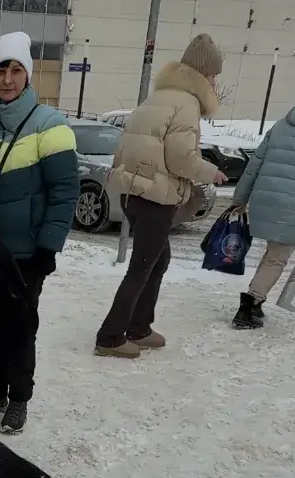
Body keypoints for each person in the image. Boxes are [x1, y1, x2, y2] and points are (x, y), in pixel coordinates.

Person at [0, 31, 79, 434]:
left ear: (27, 76)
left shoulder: (51, 125)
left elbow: (66, 192)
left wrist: (49, 247)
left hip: (27, 253)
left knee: (20, 328)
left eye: (15, 70)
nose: (8, 79)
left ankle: (19, 398)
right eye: (0, 70)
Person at [96, 34, 228, 358]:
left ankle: (139, 327)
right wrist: (211, 172)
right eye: (213, 75)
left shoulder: (158, 97)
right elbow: (180, 159)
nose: (214, 82)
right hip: (155, 198)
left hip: (133, 193)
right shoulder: (186, 104)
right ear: (202, 73)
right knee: (142, 266)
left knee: (159, 258)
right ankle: (111, 337)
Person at [230, 99, 295, 328]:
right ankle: (249, 305)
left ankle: (255, 301)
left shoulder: (282, 125)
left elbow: (255, 163)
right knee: (277, 257)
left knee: (273, 253)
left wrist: (240, 198)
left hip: (266, 197)